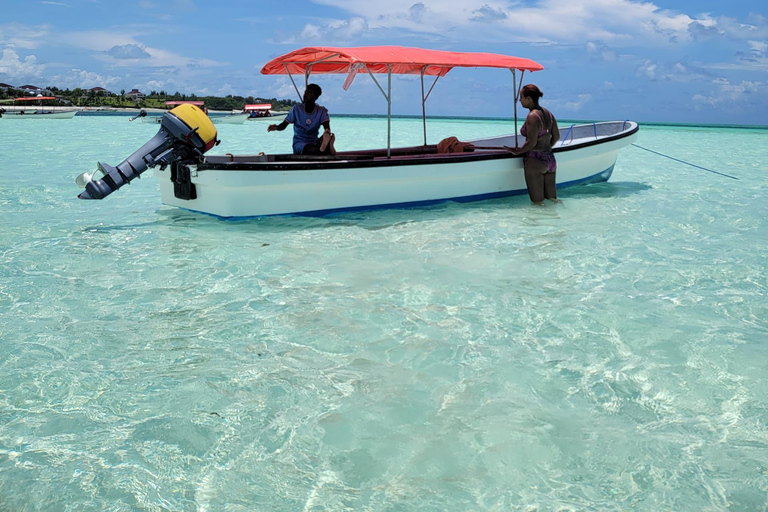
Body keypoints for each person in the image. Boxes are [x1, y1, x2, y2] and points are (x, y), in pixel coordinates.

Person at [505, 84, 560, 204]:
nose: (519, 100)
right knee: (553, 199)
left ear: (529, 98)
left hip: (535, 161)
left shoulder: (532, 116)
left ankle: (536, 223)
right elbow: (556, 136)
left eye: (521, 97)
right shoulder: (549, 114)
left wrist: (517, 151)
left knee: (538, 203)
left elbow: (532, 142)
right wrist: (546, 149)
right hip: (550, 159)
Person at [268, 83, 336, 156]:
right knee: (312, 149)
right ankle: (326, 148)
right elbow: (283, 125)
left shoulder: (321, 111)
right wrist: (275, 127)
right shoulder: (296, 109)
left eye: (309, 93)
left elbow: (327, 130)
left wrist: (324, 137)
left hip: (314, 141)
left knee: (318, 148)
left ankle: (324, 147)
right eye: (305, 92)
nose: (306, 95)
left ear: (316, 97)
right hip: (299, 143)